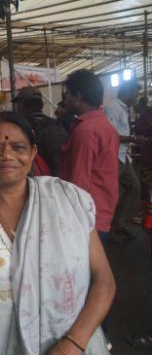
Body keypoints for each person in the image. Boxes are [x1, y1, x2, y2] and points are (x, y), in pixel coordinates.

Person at [0, 112, 115, 355]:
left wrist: (73, 344)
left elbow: (104, 281)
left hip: (68, 346)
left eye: (18, 147)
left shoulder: (67, 201)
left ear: (33, 153)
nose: (7, 156)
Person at [60, 69, 119, 242]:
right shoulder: (104, 125)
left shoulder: (85, 130)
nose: (66, 99)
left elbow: (79, 182)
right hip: (101, 212)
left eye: (68, 94)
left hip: (85, 218)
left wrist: (69, 220)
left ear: (77, 96)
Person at [104, 80, 143, 242]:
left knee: (134, 187)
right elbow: (110, 135)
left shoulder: (125, 109)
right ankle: (110, 228)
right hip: (114, 157)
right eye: (135, 95)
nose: (136, 98)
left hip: (123, 156)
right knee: (111, 193)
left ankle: (118, 223)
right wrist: (132, 138)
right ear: (127, 94)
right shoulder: (113, 108)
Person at [13, 86, 67, 176]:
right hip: (60, 179)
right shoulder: (56, 124)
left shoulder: (20, 127)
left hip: (33, 181)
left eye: (18, 103)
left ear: (21, 104)